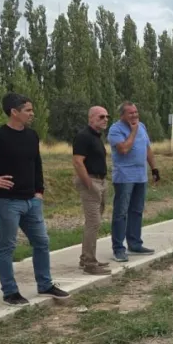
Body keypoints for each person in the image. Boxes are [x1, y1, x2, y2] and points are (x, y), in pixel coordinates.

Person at [0, 92, 70, 306]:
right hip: (7, 202)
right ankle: (10, 291)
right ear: (14, 112)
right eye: (28, 110)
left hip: (31, 201)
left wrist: (39, 192)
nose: (32, 114)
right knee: (7, 247)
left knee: (42, 242)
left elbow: (37, 163)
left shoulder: (32, 135)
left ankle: (45, 285)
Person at [107, 101, 159, 262]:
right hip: (124, 177)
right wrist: (133, 131)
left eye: (136, 112)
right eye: (131, 113)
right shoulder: (115, 129)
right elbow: (123, 149)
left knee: (137, 210)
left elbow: (147, 149)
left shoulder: (142, 126)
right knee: (121, 212)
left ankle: (135, 243)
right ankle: (118, 249)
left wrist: (154, 168)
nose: (135, 115)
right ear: (122, 115)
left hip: (140, 175)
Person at [72, 106, 112, 275]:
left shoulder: (96, 137)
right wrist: (88, 183)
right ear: (91, 118)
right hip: (91, 181)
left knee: (93, 223)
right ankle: (89, 263)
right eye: (101, 116)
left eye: (107, 117)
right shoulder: (83, 137)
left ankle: (86, 258)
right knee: (93, 223)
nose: (105, 119)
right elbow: (77, 162)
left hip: (100, 181)